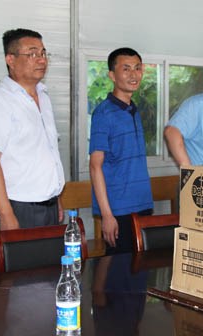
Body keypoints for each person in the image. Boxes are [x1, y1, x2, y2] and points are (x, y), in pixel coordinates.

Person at [0, 28, 65, 274]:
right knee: (14, 287)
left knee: (47, 282)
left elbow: (47, 153)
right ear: (10, 59)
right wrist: (6, 214)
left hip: (47, 209)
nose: (41, 59)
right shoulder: (0, 101)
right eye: (32, 53)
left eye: (44, 53)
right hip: (17, 209)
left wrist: (56, 198)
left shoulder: (43, 97)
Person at [89, 47, 153, 255]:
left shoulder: (134, 109)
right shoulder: (103, 113)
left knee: (142, 267)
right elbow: (95, 166)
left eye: (137, 68)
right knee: (119, 270)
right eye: (126, 69)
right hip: (118, 210)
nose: (134, 74)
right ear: (112, 75)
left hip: (142, 204)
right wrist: (107, 215)